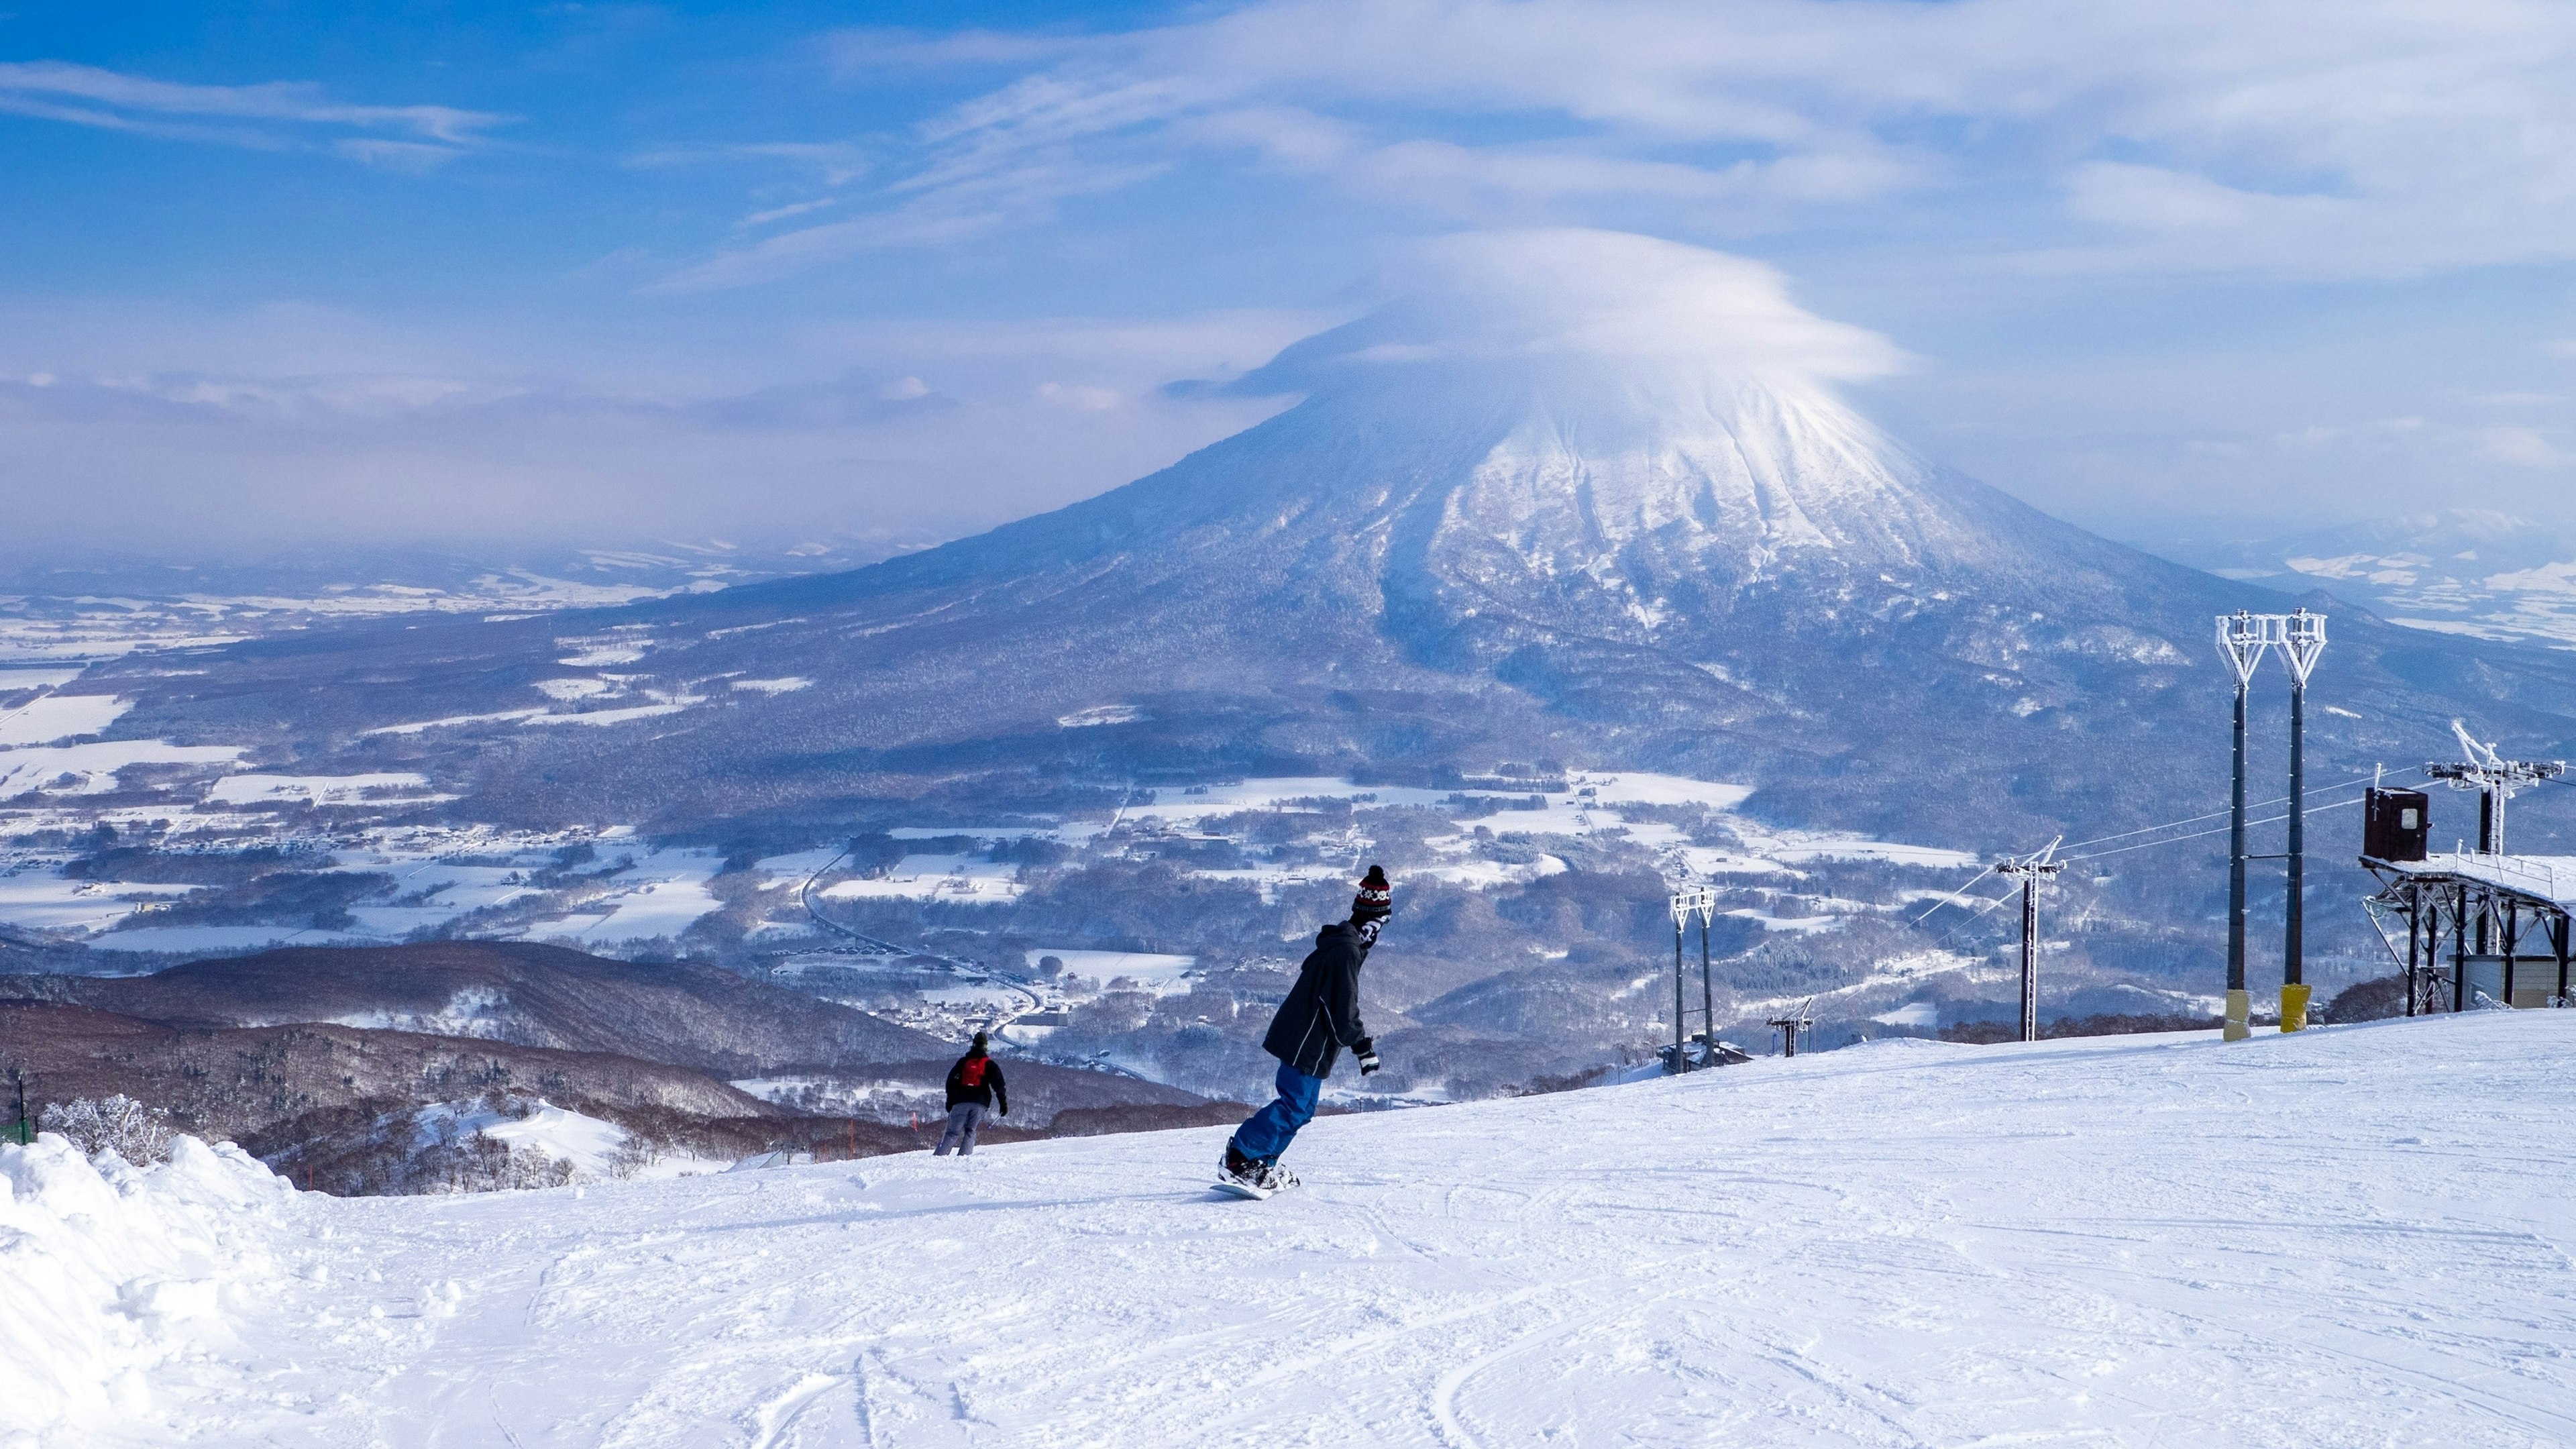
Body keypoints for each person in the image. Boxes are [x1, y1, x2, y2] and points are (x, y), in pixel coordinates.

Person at [1220, 865, 1391, 1193]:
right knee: (1294, 1105)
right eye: (1380, 922)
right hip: (1306, 1040)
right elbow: (1343, 1009)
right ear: (1369, 919)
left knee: (1301, 1109)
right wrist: (1362, 1047)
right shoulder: (1346, 950)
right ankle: (1241, 1156)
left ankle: (1262, 1163)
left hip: (1309, 1039)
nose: (1379, 931)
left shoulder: (1345, 945)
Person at [935, 1031, 1008, 1156]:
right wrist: (1003, 1104)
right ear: (986, 1047)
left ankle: (939, 1157)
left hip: (960, 1101)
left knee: (953, 1132)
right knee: (970, 1131)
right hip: (981, 1103)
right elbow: (999, 1086)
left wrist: (950, 1101)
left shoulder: (963, 1063)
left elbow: (951, 1082)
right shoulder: (990, 1065)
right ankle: (964, 1158)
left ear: (973, 1045)